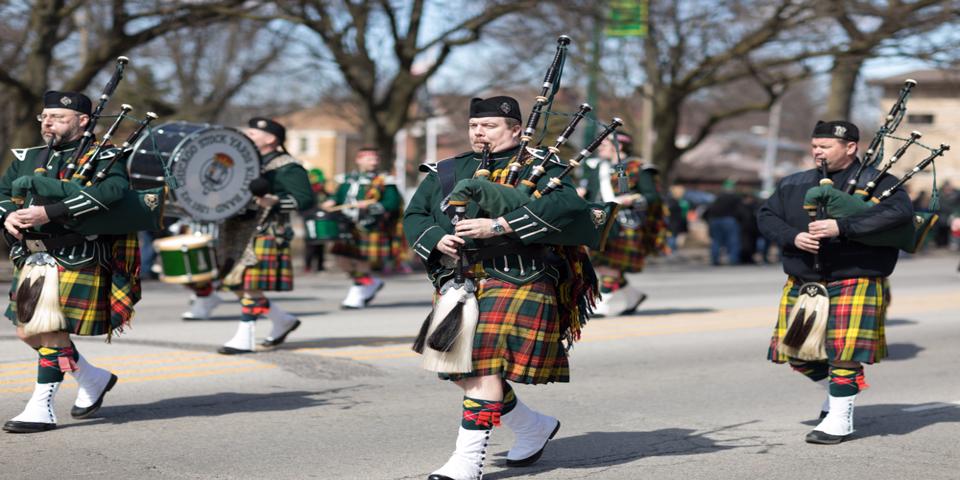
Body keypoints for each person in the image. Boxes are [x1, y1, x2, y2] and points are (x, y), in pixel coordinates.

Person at [404, 96, 601, 479]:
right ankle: (532, 426)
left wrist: (500, 226)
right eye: (475, 125)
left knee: (481, 364)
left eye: (490, 126)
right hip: (460, 278)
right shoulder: (448, 169)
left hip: (520, 275)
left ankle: (467, 463)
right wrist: (434, 239)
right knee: (459, 369)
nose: (479, 132)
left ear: (515, 129)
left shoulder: (543, 168)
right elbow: (416, 214)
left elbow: (567, 208)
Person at [758, 120, 913, 444]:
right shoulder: (794, 183)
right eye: (815, 146)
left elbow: (897, 215)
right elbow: (766, 216)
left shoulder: (880, 182)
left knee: (843, 352)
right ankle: (838, 391)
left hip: (855, 276)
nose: (817, 152)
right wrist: (793, 237)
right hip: (806, 279)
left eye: (825, 146)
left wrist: (843, 228)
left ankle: (840, 419)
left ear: (850, 147)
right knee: (797, 354)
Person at [0, 91, 141, 433]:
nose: (48, 122)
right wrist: (9, 217)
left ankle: (41, 407)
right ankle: (92, 378)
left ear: (83, 121)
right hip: (34, 256)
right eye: (44, 116)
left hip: (78, 256)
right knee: (25, 332)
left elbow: (110, 194)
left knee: (50, 331)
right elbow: (3, 194)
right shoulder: (26, 156)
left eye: (58, 117)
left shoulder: (106, 156)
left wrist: (49, 210)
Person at [217, 117, 315, 354]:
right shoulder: (242, 161)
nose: (248, 133)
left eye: (254, 132)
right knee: (236, 284)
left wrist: (275, 200)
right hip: (237, 229)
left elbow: (305, 200)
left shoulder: (287, 166)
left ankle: (244, 337)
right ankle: (283, 320)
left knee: (249, 284)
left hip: (267, 229)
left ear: (271, 139)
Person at [577, 132, 668, 316]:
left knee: (613, 263)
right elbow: (591, 193)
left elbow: (653, 197)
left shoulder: (638, 167)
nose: (600, 147)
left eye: (604, 144)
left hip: (627, 223)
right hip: (600, 222)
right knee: (600, 263)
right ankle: (633, 296)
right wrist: (580, 193)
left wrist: (633, 198)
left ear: (618, 146)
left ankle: (601, 304)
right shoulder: (597, 168)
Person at [322, 148, 402, 309]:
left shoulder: (384, 180)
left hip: (370, 225)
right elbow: (338, 196)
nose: (373, 162)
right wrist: (330, 201)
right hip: (347, 223)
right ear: (358, 160)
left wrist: (372, 205)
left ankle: (356, 294)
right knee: (340, 257)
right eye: (368, 158)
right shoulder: (347, 179)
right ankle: (369, 283)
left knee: (361, 259)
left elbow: (394, 203)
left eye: (375, 159)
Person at [703, 181, 743, 266]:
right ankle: (733, 259)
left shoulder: (717, 198)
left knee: (716, 241)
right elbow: (741, 211)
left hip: (715, 220)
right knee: (733, 240)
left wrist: (708, 220)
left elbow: (707, 211)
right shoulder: (735, 198)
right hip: (729, 220)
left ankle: (715, 259)